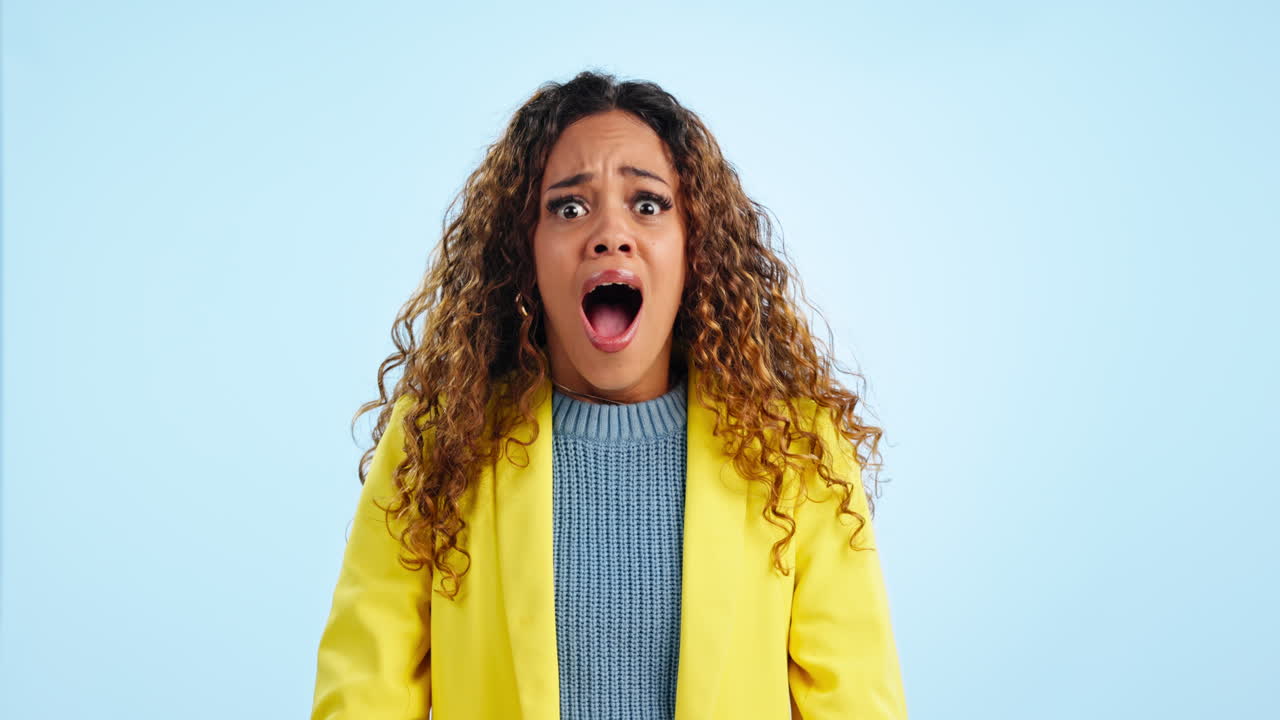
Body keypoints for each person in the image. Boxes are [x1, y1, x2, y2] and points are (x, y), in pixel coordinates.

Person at [311, 69, 908, 720]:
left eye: (648, 204)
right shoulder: (439, 441)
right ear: (525, 253)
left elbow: (856, 704)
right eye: (569, 207)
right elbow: (364, 696)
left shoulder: (795, 452)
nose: (610, 233)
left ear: (695, 247)